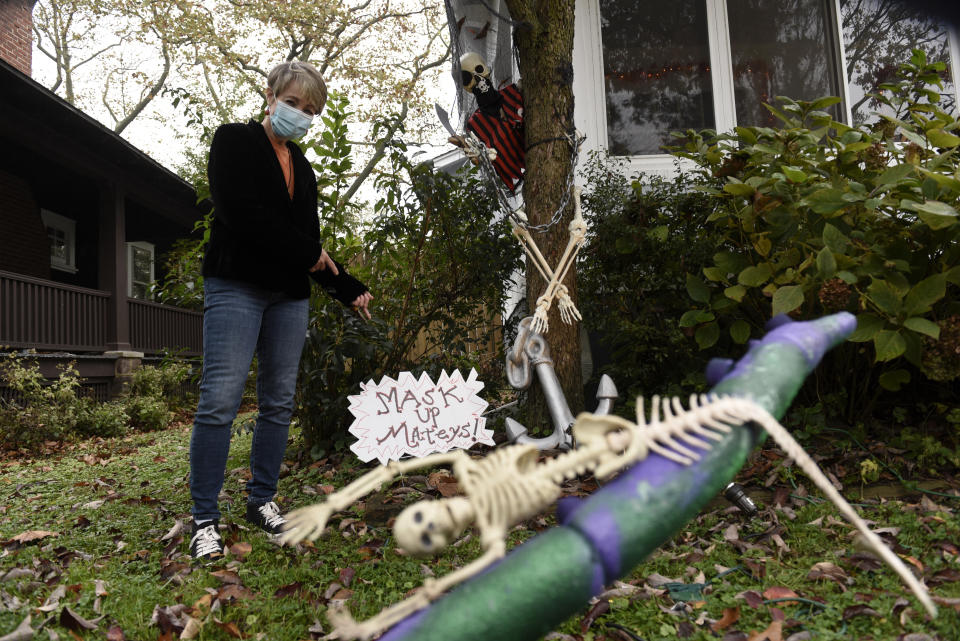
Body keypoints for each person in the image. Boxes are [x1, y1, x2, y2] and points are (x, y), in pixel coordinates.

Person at [188, 61, 373, 561]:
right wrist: (309, 254)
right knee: (220, 400)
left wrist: (347, 287)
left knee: (278, 402)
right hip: (236, 286)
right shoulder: (234, 142)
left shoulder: (304, 169)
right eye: (293, 103)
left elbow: (306, 246)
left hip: (289, 296)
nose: (300, 115)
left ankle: (261, 500)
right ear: (270, 96)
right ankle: (204, 519)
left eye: (310, 110)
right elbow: (240, 214)